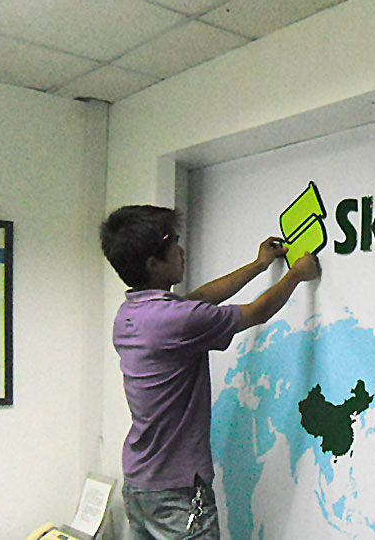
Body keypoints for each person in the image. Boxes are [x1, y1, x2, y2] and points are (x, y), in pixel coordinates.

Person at [100, 205, 320, 539]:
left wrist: (258, 265)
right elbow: (257, 312)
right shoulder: (176, 320)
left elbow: (200, 299)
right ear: (153, 263)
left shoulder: (131, 314)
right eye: (173, 241)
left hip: (140, 483)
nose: (181, 249)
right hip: (177, 492)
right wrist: (296, 274)